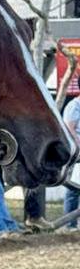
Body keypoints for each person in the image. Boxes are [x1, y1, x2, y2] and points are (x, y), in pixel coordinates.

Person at [62, 94, 80, 231]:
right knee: (73, 188)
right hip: (76, 153)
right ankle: (70, 224)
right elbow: (69, 129)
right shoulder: (74, 106)